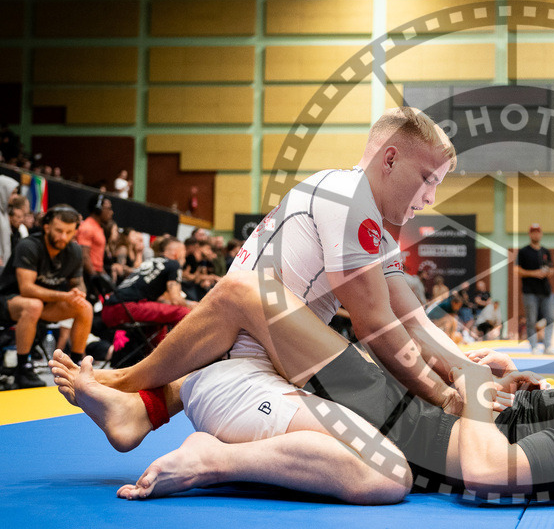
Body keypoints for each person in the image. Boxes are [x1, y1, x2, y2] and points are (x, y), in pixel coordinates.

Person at [50, 269, 554, 504]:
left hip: (403, 426)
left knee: (249, 295)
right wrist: (509, 384)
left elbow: (485, 468)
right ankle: (147, 401)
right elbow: (540, 425)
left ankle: (129, 391)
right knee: (331, 304)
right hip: (417, 418)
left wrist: (474, 390)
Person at [80, 107, 477, 437]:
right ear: (389, 159)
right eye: (428, 180)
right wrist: (446, 395)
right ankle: (164, 417)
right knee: (383, 458)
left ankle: (147, 405)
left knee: (401, 428)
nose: (430, 198)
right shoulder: (346, 197)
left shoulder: (372, 227)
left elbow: (415, 321)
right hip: (241, 380)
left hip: (258, 371)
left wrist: (467, 369)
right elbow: (376, 323)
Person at [0, 205, 93, 388]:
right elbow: (26, 289)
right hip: (10, 301)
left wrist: (78, 292)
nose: (63, 237)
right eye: (59, 230)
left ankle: (74, 368)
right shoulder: (29, 246)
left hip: (45, 305)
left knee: (85, 306)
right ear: (47, 227)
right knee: (33, 304)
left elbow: (78, 283)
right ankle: (23, 368)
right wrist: (64, 295)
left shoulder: (73, 251)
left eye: (68, 232)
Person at [100, 237, 194, 333]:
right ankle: (175, 348)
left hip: (108, 309)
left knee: (159, 317)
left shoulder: (151, 261)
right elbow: (176, 300)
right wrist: (195, 306)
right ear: (177, 253)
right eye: (184, 251)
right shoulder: (174, 264)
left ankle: (154, 348)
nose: (185, 256)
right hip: (124, 308)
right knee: (183, 312)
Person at [516, 223, 554, 354]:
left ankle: (547, 345)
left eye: (538, 232)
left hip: (546, 291)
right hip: (530, 291)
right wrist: (534, 273)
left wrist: (548, 272)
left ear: (541, 234)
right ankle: (533, 346)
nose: (536, 234)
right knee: (531, 320)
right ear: (530, 234)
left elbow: (552, 268)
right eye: (533, 232)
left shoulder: (545, 251)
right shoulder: (523, 251)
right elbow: (517, 269)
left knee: (551, 317)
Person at [77, 195, 113, 290]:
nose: (111, 212)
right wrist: (95, 279)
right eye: (108, 208)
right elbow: (84, 256)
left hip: (96, 273)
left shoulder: (98, 227)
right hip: (88, 276)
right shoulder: (88, 227)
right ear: (98, 209)